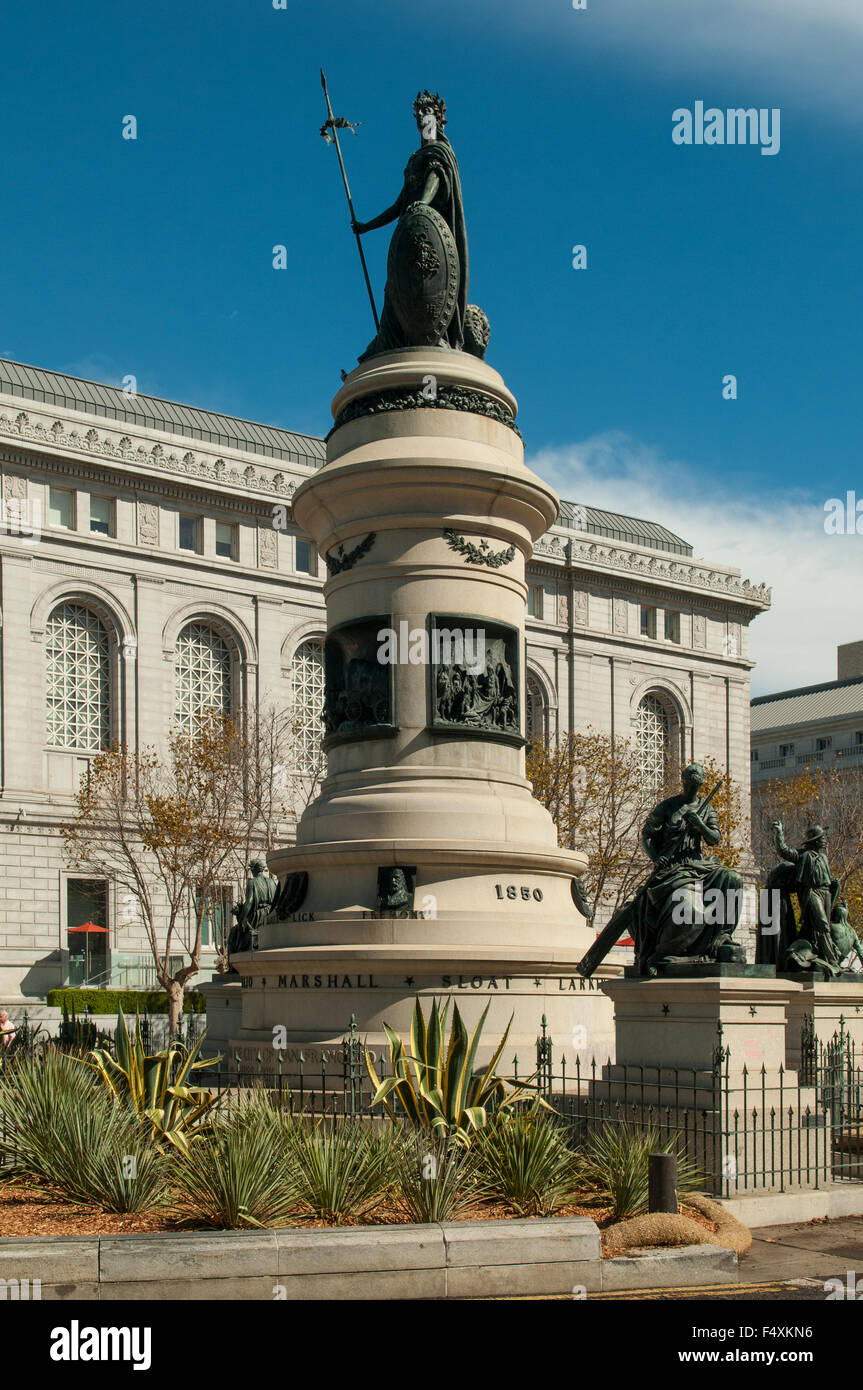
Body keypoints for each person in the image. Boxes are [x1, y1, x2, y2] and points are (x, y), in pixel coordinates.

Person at [353, 90, 469, 359]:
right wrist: (366, 227)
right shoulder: (415, 160)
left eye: (426, 113)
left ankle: (438, 336)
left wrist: (424, 203)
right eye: (418, 115)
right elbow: (397, 207)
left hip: (432, 240)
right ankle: (387, 342)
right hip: (410, 237)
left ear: (437, 119)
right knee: (395, 293)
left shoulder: (439, 153)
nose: (421, 118)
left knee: (430, 286)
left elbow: (436, 178)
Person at [626, 762, 744, 975]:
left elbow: (714, 839)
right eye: (688, 784)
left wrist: (699, 824)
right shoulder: (668, 806)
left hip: (698, 864)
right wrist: (655, 857)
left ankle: (722, 935)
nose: (691, 788)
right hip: (673, 867)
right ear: (684, 783)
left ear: (701, 785)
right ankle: (664, 952)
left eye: (695, 785)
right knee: (688, 906)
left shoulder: (707, 809)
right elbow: (646, 835)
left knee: (733, 878)